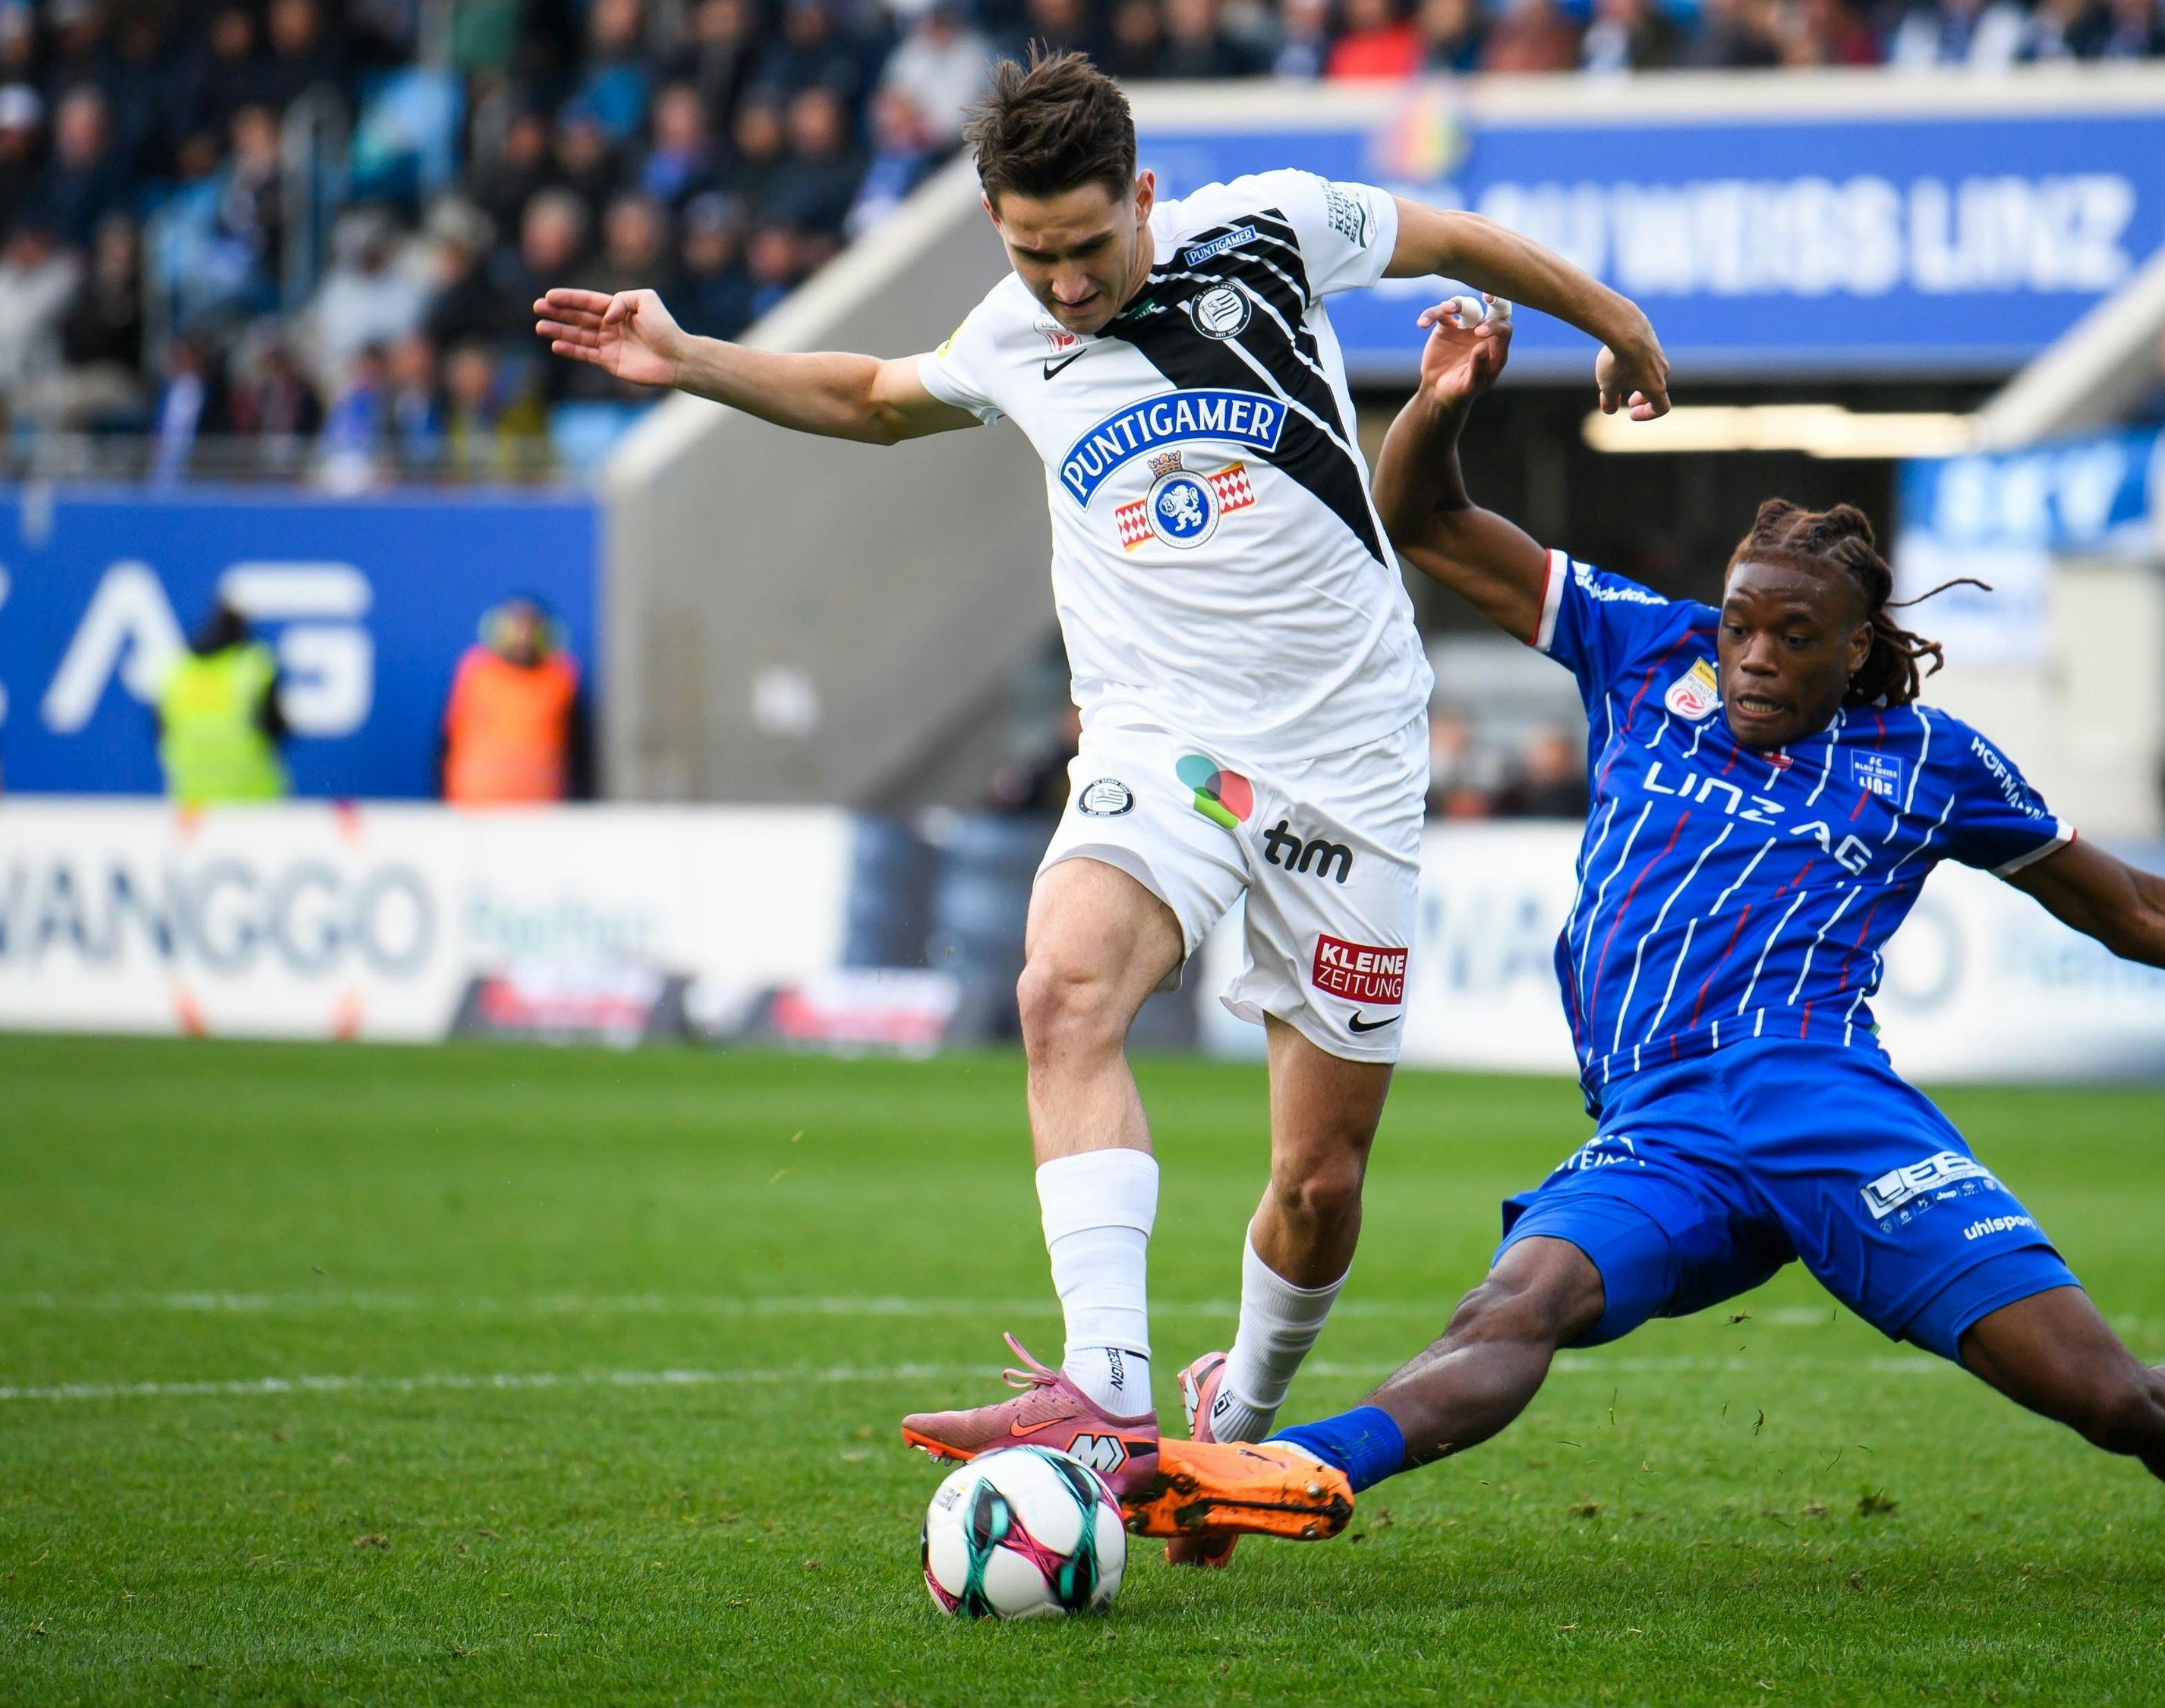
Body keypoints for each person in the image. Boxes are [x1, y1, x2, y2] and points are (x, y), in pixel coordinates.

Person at [1114, 295, 2165, 1580]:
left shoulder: (1925, 760)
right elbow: (1426, 521)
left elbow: (2134, 910)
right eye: (1742, 623)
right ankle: (1299, 1469)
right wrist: (1436, 410)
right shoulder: (1644, 648)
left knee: (2104, 1396)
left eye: (1789, 637)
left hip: (1821, 1105)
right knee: (1517, 1297)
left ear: (1850, 645)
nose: (1751, 653)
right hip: (1660, 1127)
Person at [532, 50, 1672, 1552]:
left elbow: (1451, 237)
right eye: (1029, 252)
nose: (1061, 284)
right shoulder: (1012, 333)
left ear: (1140, 198)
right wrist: (690, 357)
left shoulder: (1266, 228)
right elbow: (873, 395)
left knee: (1316, 1186)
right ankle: (1108, 1390)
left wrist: (1620, 325)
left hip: (1349, 761)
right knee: (1063, 987)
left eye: (1083, 246)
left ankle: (1228, 1431)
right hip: (1162, 743)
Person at [440, 596, 592, 804]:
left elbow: (581, 753)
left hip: (539, 814)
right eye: (515, 627)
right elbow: (445, 742)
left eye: (531, 629)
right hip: (472, 809)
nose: (523, 637)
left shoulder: (561, 679)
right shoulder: (475, 672)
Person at [156, 603, 289, 805]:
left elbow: (160, 731)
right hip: (253, 802)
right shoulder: (253, 667)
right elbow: (277, 729)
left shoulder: (179, 672)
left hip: (193, 802)